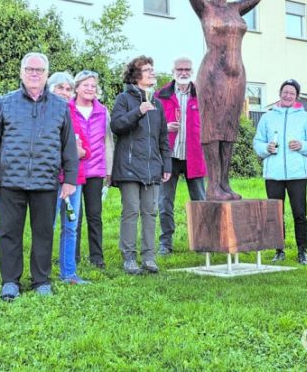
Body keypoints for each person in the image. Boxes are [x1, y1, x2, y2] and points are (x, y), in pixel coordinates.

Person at [0, 52, 78, 300]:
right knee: (9, 233)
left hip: (46, 182)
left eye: (40, 70)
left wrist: (69, 179)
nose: (34, 74)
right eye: (30, 69)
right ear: (21, 72)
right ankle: (10, 281)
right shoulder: (7, 103)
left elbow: (68, 145)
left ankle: (41, 280)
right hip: (11, 181)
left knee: (44, 232)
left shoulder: (60, 106)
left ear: (47, 74)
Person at [184, 0, 261, 201]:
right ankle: (213, 185)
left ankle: (225, 183)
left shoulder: (236, 9)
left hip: (237, 75)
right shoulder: (205, 8)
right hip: (213, 74)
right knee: (212, 130)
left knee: (229, 130)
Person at [110, 56, 171, 275]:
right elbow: (116, 125)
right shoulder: (123, 99)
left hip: (152, 167)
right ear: (136, 76)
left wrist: (166, 164)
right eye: (147, 70)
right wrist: (138, 112)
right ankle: (128, 258)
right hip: (128, 168)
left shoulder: (158, 104)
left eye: (152, 69)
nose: (152, 73)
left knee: (150, 212)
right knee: (131, 211)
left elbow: (163, 137)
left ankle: (149, 257)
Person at [253, 79, 307, 264]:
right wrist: (267, 148)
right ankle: (279, 250)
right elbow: (257, 143)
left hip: (297, 175)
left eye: (292, 93)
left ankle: (302, 251)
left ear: (296, 96)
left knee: (299, 213)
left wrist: (302, 145)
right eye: (285, 92)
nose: (288, 95)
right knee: (275, 214)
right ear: (280, 93)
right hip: (273, 175)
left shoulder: (305, 117)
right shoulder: (268, 117)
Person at [156, 57, 207, 256]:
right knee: (165, 202)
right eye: (180, 69)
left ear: (192, 71)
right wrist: (165, 127)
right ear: (173, 71)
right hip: (170, 157)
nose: (184, 72)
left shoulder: (202, 94)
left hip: (194, 156)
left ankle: (202, 242)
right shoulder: (162, 95)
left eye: (187, 69)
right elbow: (153, 125)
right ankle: (165, 243)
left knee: (199, 201)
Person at [47, 71, 91, 285]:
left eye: (67, 89)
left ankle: (69, 273)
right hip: (52, 179)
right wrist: (73, 150)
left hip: (74, 179)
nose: (64, 93)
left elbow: (86, 148)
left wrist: (75, 151)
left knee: (71, 226)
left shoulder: (74, 113)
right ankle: (43, 273)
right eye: (60, 88)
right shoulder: (44, 112)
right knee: (49, 225)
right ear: (50, 89)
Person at [70, 70, 114, 269]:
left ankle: (97, 257)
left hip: (96, 170)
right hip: (74, 170)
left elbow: (108, 142)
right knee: (74, 217)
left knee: (94, 216)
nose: (89, 89)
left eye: (93, 86)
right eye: (86, 85)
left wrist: (109, 170)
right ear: (77, 88)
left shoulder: (103, 111)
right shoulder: (66, 109)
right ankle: (73, 256)